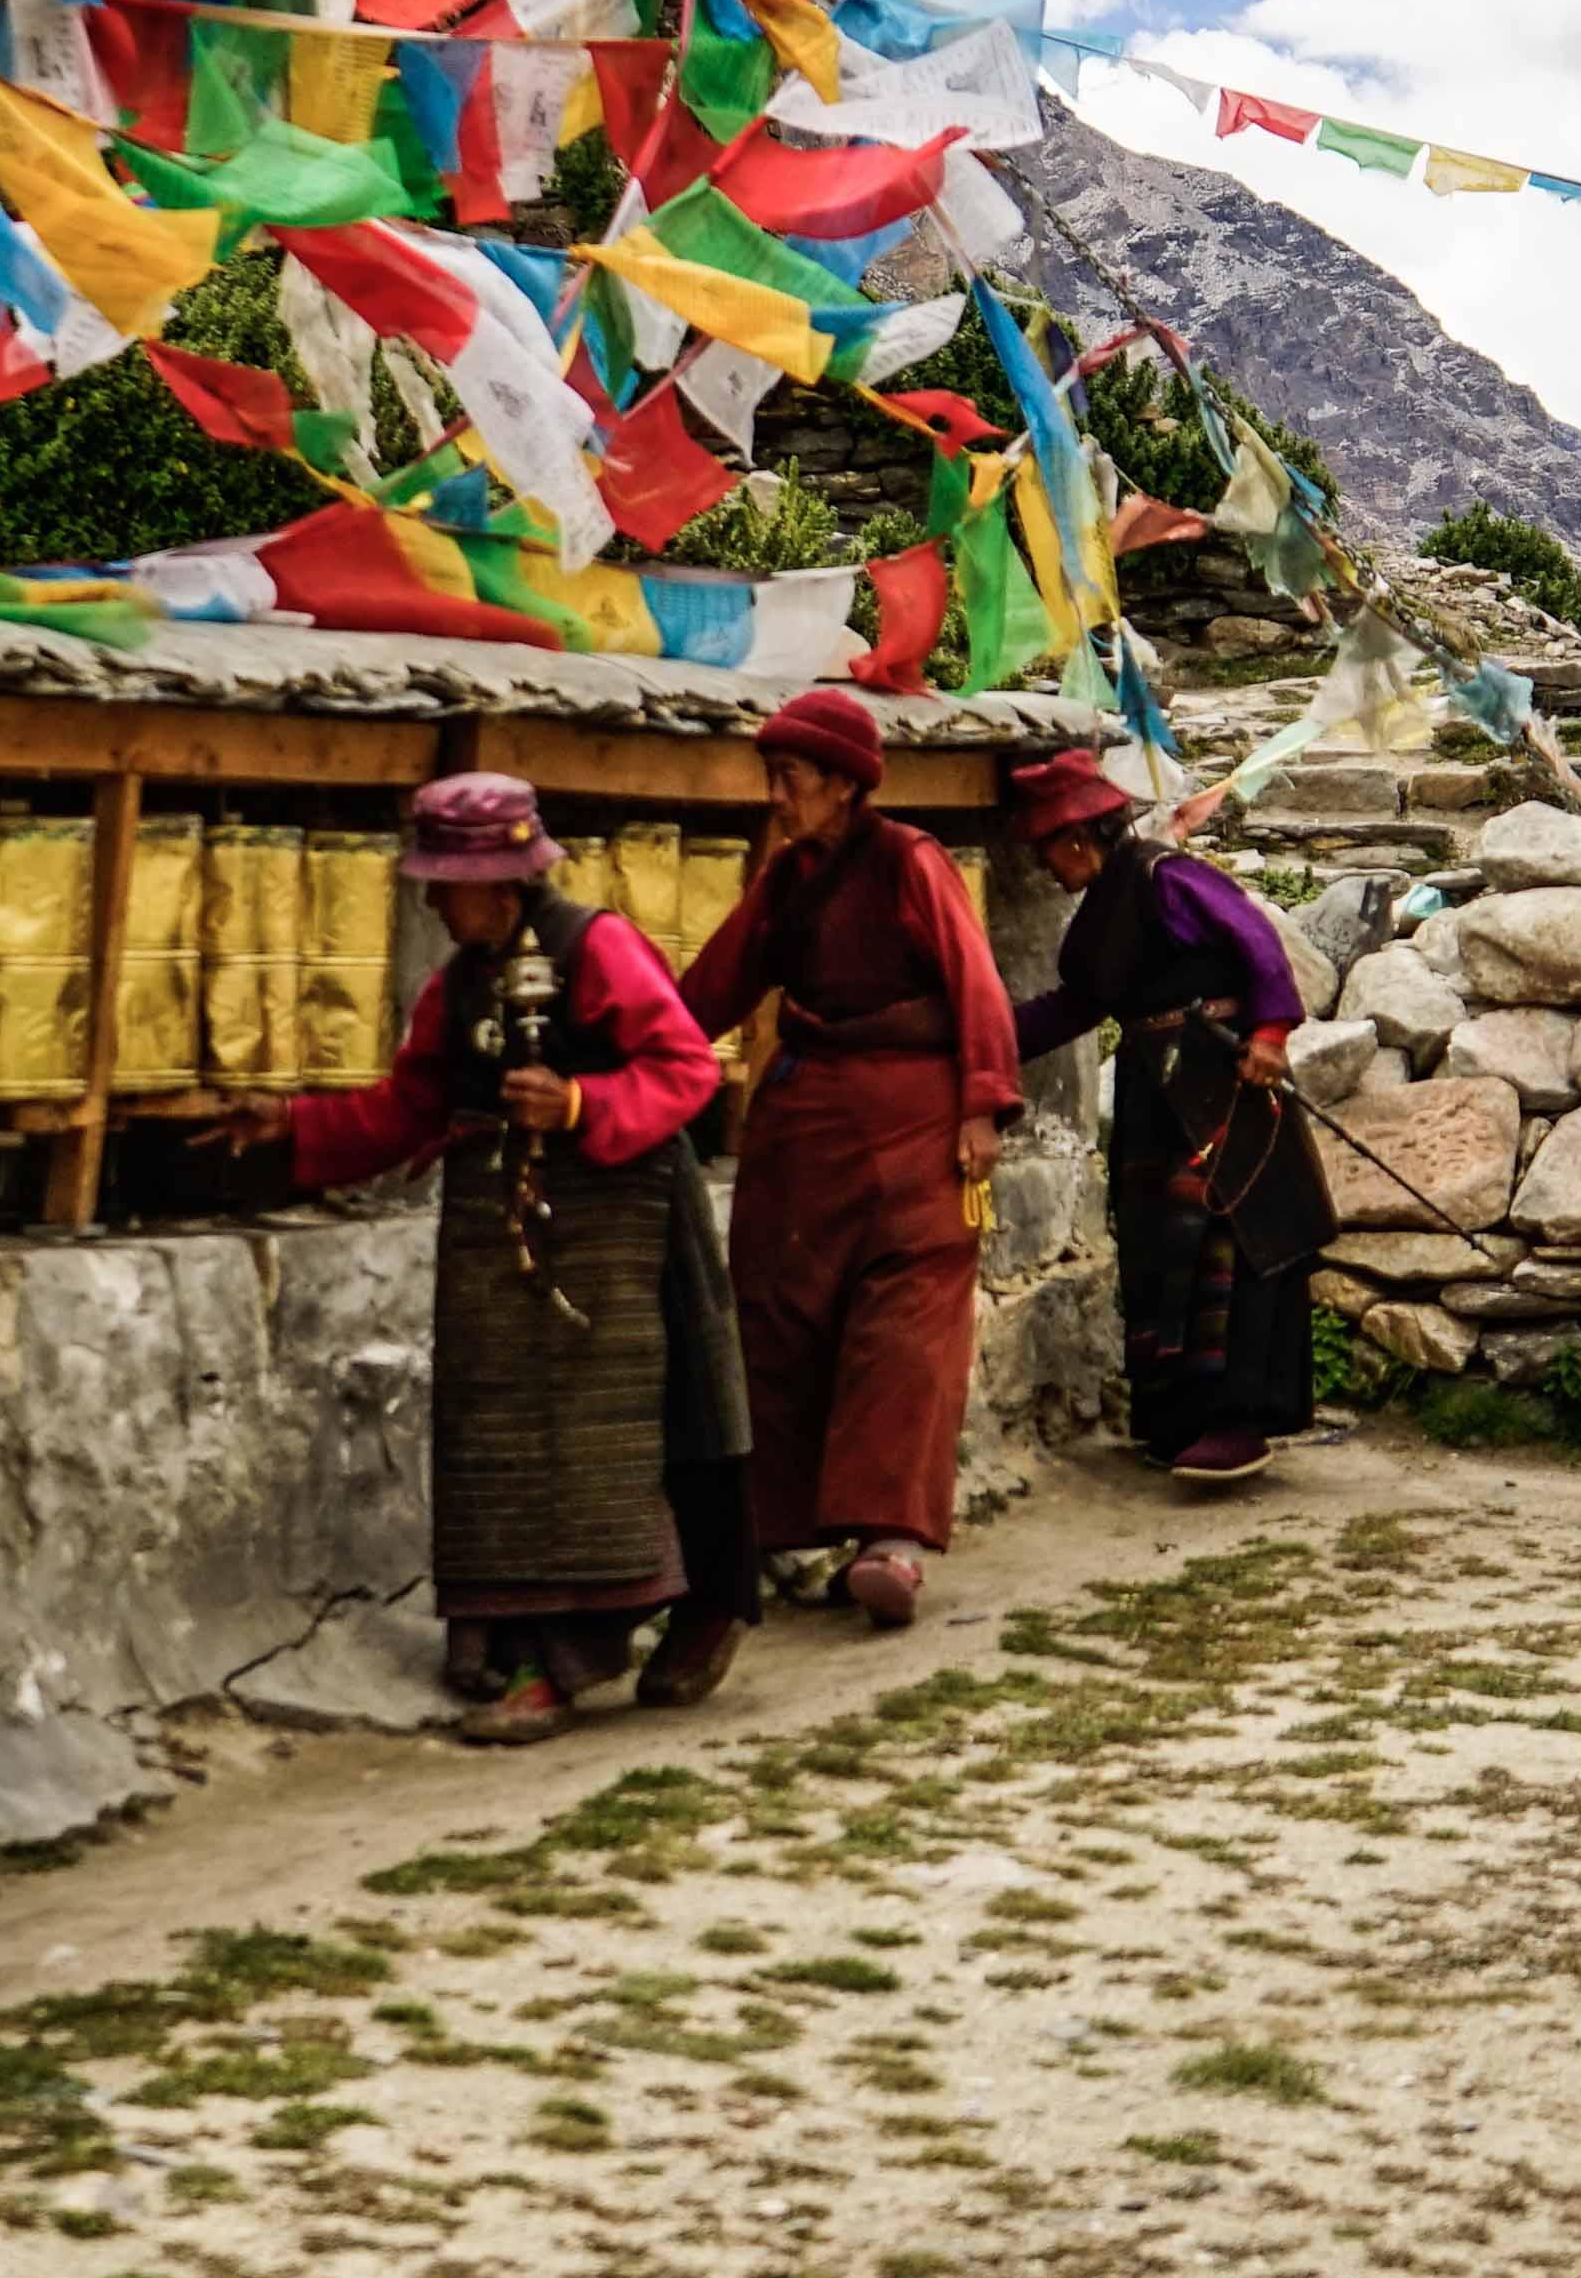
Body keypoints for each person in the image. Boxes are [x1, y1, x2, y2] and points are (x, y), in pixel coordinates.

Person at [185, 772, 750, 1746]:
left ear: (501, 881)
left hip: (617, 1226)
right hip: (496, 1232)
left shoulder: (598, 948)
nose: (434, 904)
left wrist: (580, 1104)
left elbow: (686, 1067)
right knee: (498, 1432)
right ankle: (506, 1638)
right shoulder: (459, 986)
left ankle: (572, 1656)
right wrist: (292, 1122)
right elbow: (412, 1105)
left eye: (447, 885)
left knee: (602, 1432)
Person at [675, 686, 1018, 1630]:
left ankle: (889, 1541)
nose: (776, 798)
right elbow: (713, 986)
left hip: (917, 1130)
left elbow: (976, 982)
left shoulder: (911, 861)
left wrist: (984, 1106)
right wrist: (631, 1052)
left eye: (789, 779)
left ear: (841, 783)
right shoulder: (788, 878)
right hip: (807, 1133)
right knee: (776, 1313)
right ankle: (779, 1529)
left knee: (906, 1330)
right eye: (772, 778)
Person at [1001, 748, 1328, 1484]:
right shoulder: (1099, 917)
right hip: (1156, 1095)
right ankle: (1178, 1419)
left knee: (1229, 1239)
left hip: (1223, 1079)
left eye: (1045, 849)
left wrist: (1271, 1032)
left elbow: (1255, 941)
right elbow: (1077, 1007)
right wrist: (983, 1037)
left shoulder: (1165, 877)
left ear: (1076, 839)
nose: (1043, 868)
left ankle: (1240, 1420)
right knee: (1159, 1244)